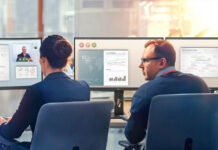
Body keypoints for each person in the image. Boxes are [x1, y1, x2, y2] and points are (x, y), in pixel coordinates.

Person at [0, 35, 90, 149]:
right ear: (66, 61)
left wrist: (2, 123)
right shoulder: (84, 88)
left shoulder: (36, 90)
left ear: (43, 60)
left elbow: (12, 132)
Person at [124, 39, 210, 144]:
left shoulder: (144, 92)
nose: (140, 65)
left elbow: (134, 137)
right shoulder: (199, 83)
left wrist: (132, 119)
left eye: (145, 60)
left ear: (161, 62)